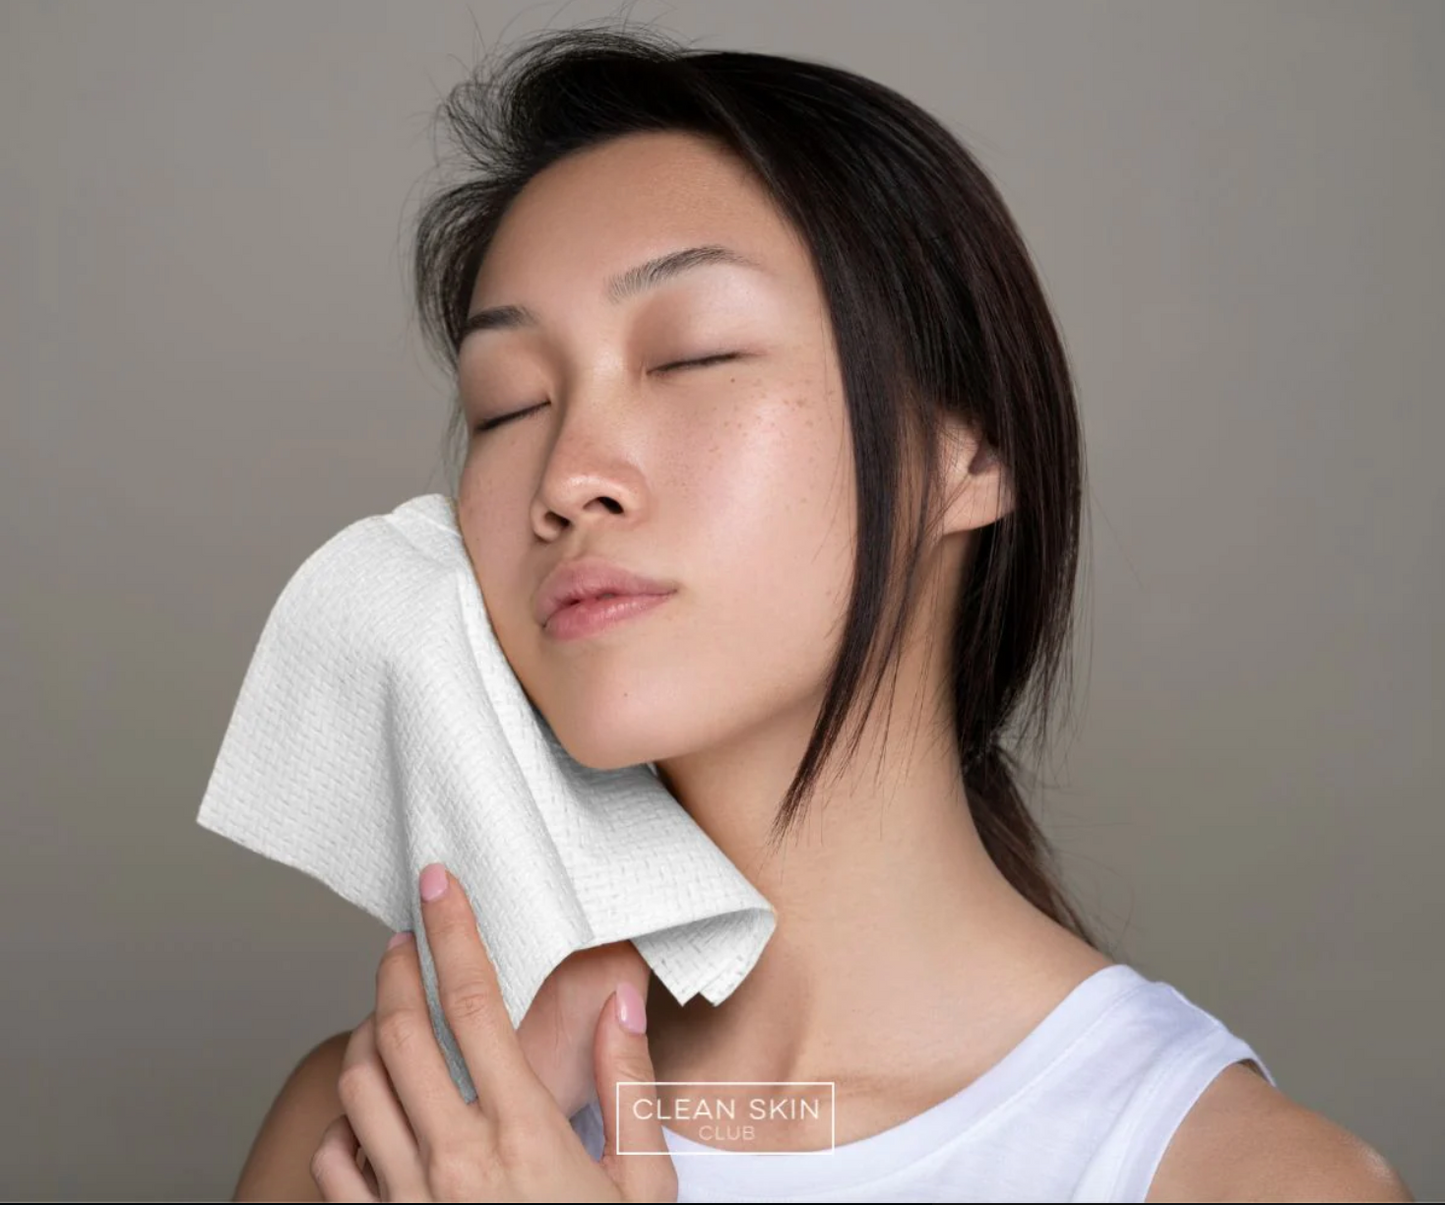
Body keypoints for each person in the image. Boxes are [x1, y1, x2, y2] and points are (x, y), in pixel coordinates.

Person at [232, 24, 1412, 1202]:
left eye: (691, 355)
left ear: (971, 447)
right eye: (509, 404)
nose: (565, 475)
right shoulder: (375, 1139)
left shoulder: (1235, 1176)